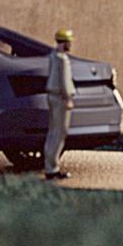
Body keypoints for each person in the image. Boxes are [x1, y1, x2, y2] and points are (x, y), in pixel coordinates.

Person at [43, 28, 75, 181]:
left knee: (53, 132)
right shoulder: (63, 60)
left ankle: (50, 165)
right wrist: (68, 97)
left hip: (52, 96)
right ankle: (52, 167)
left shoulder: (53, 56)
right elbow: (65, 81)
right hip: (60, 97)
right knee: (60, 132)